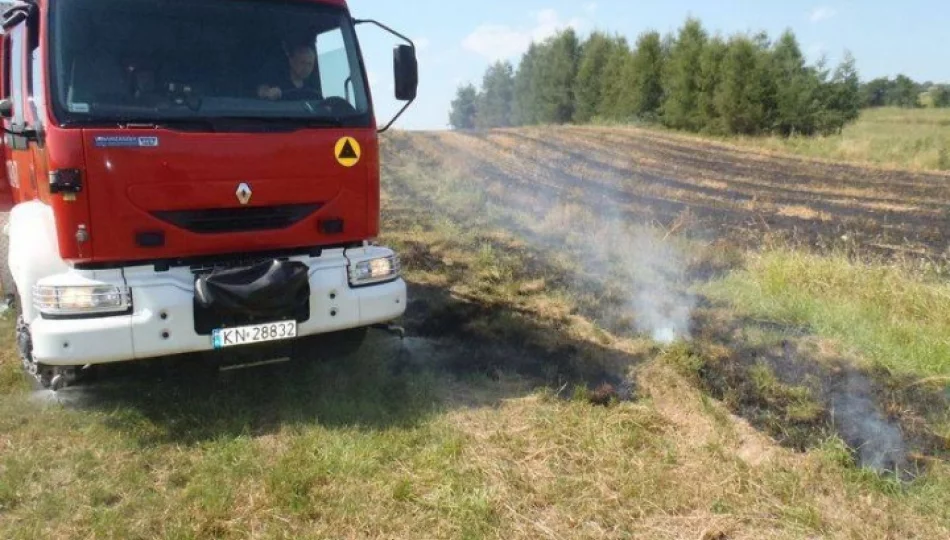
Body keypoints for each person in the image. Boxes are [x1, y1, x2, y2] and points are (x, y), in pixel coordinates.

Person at [257, 43, 323, 101]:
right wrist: (268, 93)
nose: (306, 68)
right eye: (302, 63)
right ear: (291, 61)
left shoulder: (315, 85)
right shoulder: (276, 79)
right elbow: (261, 91)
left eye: (309, 64)